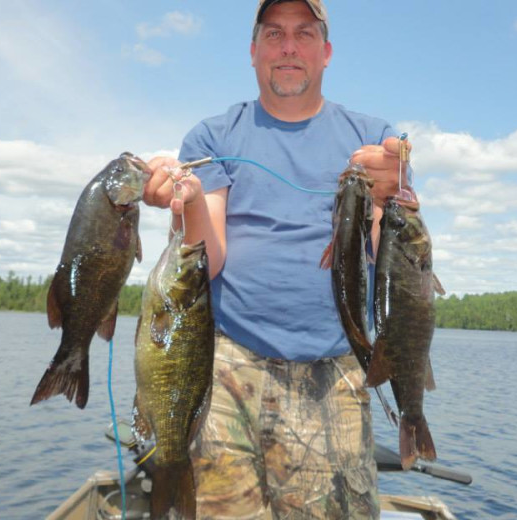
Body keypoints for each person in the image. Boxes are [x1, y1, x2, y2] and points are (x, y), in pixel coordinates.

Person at [143, 1, 411, 518]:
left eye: (304, 34)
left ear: (326, 52)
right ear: (253, 50)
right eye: (274, 34)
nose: (289, 47)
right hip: (224, 362)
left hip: (335, 366)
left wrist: (387, 195)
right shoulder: (212, 136)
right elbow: (209, 259)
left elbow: (383, 251)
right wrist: (191, 199)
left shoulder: (374, 141)